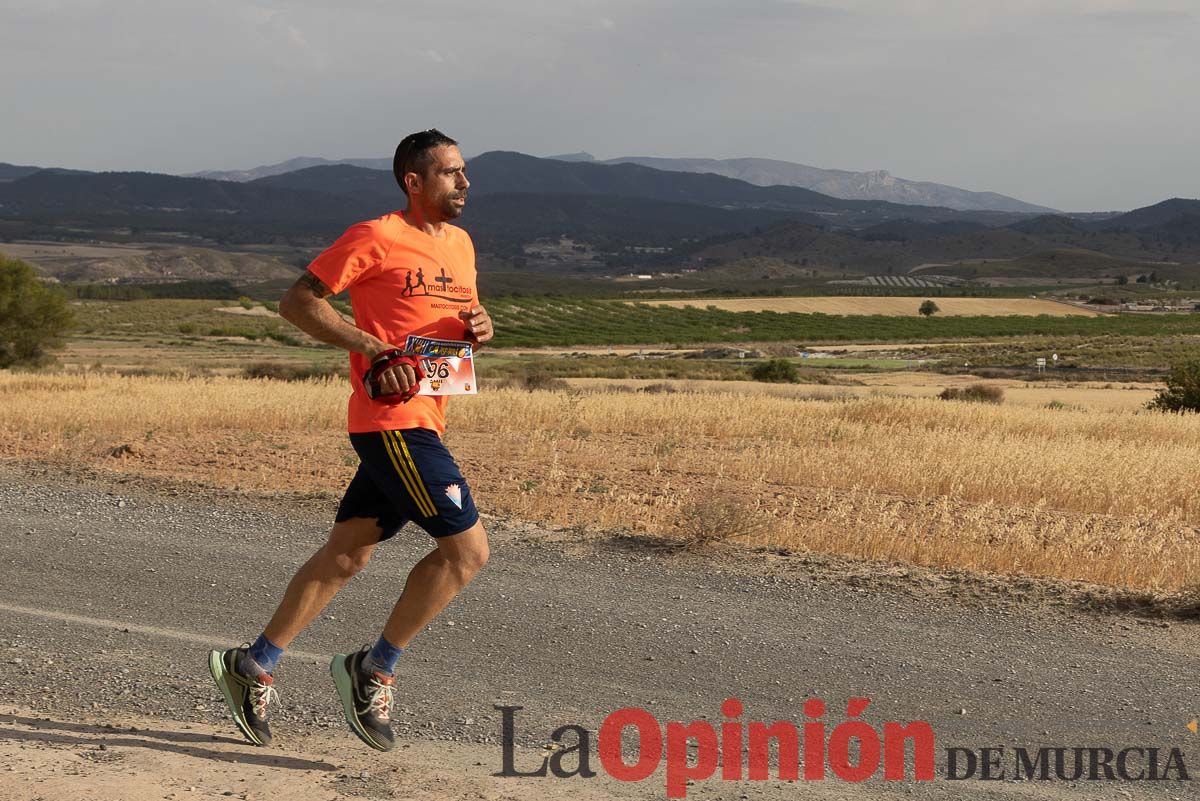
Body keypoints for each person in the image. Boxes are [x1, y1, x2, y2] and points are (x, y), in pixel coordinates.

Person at [208, 129, 493, 752]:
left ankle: (252, 664)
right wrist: (369, 347)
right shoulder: (376, 235)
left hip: (430, 414)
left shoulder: (463, 245)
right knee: (467, 554)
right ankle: (376, 668)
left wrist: (479, 327)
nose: (464, 183)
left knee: (348, 554)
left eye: (465, 171)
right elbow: (297, 302)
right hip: (393, 421)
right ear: (413, 182)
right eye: (449, 172)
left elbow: (452, 329)